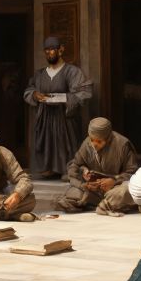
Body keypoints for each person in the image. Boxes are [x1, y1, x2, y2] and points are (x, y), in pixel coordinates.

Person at [24, 37, 93, 178]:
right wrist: (35, 95)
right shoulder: (40, 74)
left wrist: (63, 98)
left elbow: (84, 92)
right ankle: (47, 170)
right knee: (45, 144)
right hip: (44, 118)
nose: (50, 53)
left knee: (65, 145)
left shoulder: (72, 72)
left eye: (52, 49)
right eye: (47, 50)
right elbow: (29, 90)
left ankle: (67, 171)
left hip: (64, 119)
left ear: (61, 50)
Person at [54, 117, 138, 216]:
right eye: (92, 140)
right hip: (94, 191)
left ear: (108, 139)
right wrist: (84, 178)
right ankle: (104, 205)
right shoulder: (87, 143)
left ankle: (104, 204)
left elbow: (133, 173)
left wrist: (114, 180)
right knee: (73, 193)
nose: (94, 144)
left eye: (99, 141)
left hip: (114, 188)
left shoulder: (123, 145)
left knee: (125, 190)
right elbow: (75, 165)